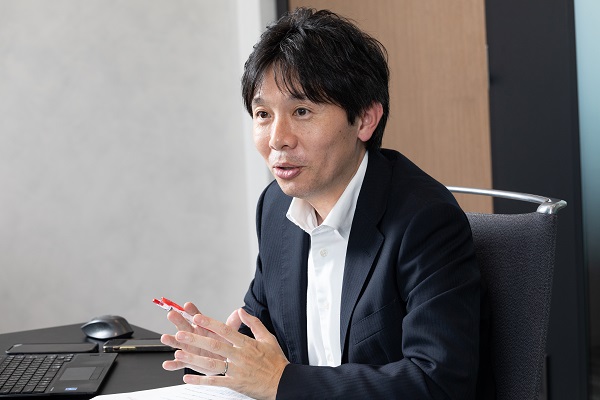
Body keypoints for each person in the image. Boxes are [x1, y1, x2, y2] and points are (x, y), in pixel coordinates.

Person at [160, 7, 491, 400]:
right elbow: (264, 335)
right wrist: (222, 352)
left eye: (301, 111)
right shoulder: (275, 209)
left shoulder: (425, 221)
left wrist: (280, 382)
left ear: (365, 119)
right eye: (263, 114)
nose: (277, 139)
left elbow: (437, 383)